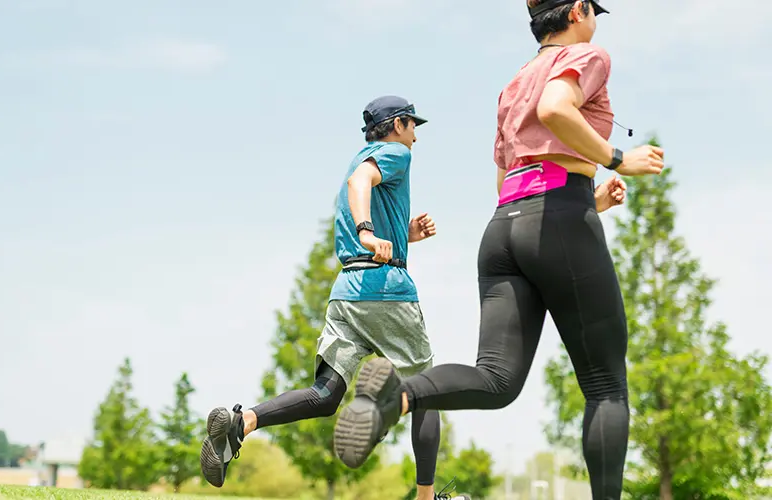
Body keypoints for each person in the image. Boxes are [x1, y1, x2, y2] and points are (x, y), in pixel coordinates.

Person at [332, 2, 664, 499]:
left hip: (505, 228)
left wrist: (587, 202)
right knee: (605, 387)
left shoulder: (512, 85)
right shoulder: (585, 54)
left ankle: (393, 398)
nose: (596, 20)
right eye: (594, 10)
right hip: (558, 220)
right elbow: (556, 108)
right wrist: (619, 159)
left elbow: (511, 179)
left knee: (496, 379)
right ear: (577, 11)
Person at [199, 95, 471, 500]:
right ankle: (426, 498)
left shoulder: (359, 157)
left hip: (347, 292)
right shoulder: (394, 153)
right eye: (413, 125)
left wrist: (403, 234)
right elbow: (359, 184)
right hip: (386, 290)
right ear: (397, 125)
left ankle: (244, 422)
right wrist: (366, 230)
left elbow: (359, 188)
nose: (416, 136)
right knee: (426, 390)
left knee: (326, 395)